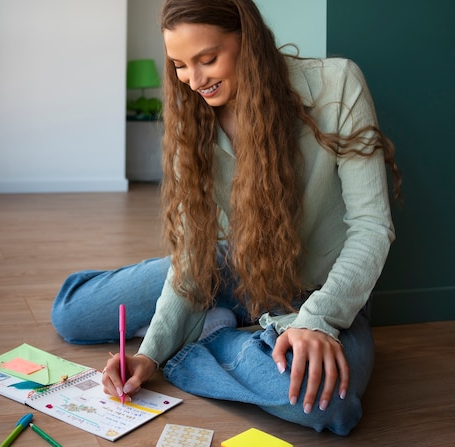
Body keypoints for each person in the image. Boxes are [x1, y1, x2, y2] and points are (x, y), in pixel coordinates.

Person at [51, 0, 401, 436]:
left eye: (208, 59)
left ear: (247, 41)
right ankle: (204, 326)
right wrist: (149, 353)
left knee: (328, 405)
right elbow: (194, 257)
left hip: (320, 296)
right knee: (71, 315)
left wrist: (318, 320)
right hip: (230, 266)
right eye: (180, 65)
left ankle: (204, 338)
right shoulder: (192, 117)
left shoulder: (337, 85)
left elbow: (373, 226)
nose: (194, 81)